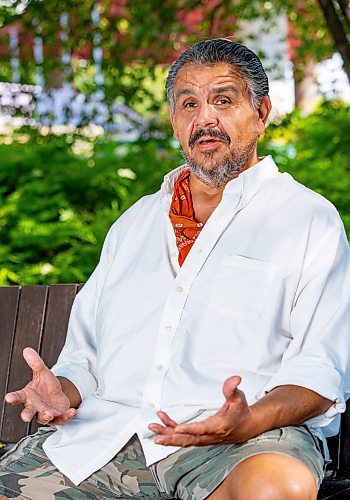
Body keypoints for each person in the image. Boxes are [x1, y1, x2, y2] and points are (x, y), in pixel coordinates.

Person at [1, 38, 349, 500]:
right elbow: (85, 359)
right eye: (189, 103)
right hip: (108, 438)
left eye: (223, 100)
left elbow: (320, 368)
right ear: (174, 121)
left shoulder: (307, 218)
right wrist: (61, 392)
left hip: (246, 440)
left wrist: (249, 419)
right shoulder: (135, 224)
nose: (205, 117)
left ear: (261, 113)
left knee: (276, 488)